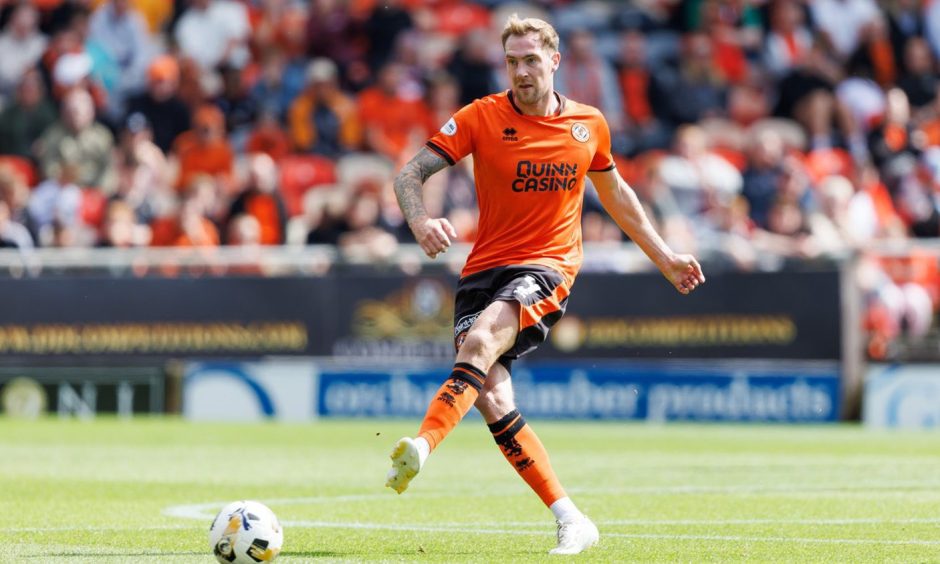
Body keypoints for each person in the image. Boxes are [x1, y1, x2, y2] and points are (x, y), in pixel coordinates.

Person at [384, 15, 705, 556]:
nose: (521, 71)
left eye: (531, 60)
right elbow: (408, 174)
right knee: (490, 393)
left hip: (547, 267)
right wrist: (419, 221)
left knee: (481, 342)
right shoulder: (481, 116)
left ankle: (421, 444)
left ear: (555, 61)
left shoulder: (588, 125)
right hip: (482, 270)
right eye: (512, 62)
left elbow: (619, 198)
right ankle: (571, 517)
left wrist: (666, 257)